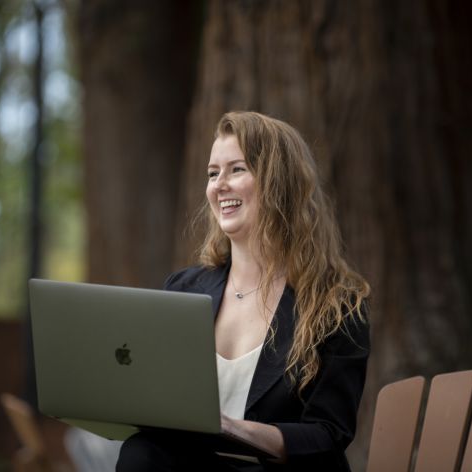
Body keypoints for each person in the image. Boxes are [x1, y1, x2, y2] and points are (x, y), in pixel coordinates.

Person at [116, 111, 370, 471]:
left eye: (237, 169)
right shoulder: (183, 290)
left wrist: (233, 429)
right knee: (141, 451)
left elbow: (329, 434)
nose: (219, 185)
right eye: (212, 173)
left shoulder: (336, 304)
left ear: (278, 182)